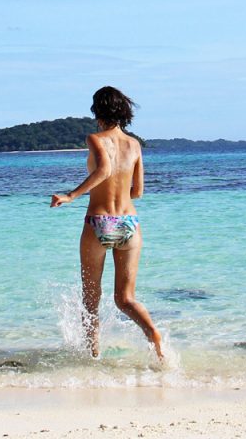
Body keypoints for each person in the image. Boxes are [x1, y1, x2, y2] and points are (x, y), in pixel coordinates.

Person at [50, 86, 163, 360]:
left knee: (91, 299)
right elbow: (138, 192)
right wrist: (119, 191)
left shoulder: (95, 139)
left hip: (99, 221)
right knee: (125, 299)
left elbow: (104, 169)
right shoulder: (135, 145)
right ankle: (153, 335)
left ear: (97, 111)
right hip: (129, 222)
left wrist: (71, 195)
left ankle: (93, 354)